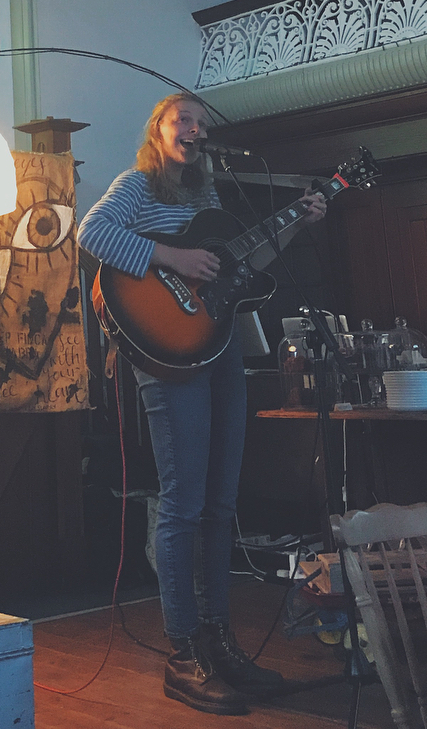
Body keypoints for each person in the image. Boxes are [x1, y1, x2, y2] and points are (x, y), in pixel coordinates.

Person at [79, 94, 326, 716]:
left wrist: (297, 221)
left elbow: (233, 270)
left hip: (218, 350)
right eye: (181, 120)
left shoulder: (209, 197)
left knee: (220, 503)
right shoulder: (137, 185)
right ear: (157, 129)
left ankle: (219, 644)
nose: (194, 129)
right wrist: (172, 256)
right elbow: (93, 232)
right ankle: (183, 654)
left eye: (201, 123)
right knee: (183, 503)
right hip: (166, 355)